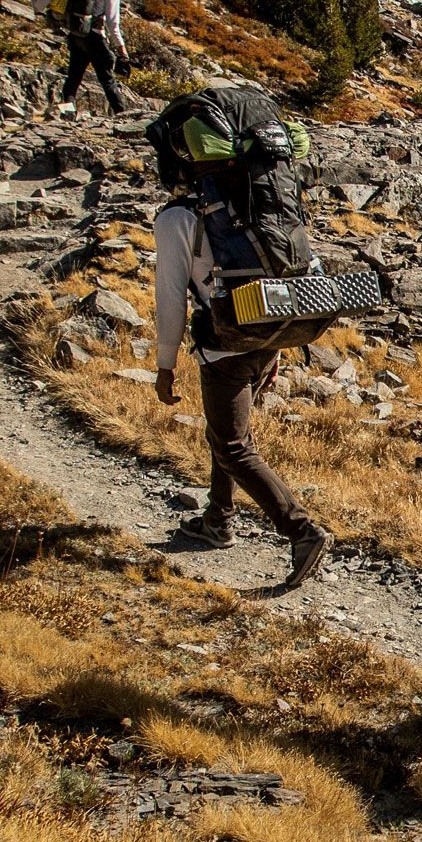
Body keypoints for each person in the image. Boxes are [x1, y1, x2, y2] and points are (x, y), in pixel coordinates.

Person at [150, 95, 332, 593]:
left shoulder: (178, 219)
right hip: (272, 324)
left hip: (228, 341)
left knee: (231, 443)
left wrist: (165, 365)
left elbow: (171, 298)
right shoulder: (260, 202)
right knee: (224, 429)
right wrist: (275, 348)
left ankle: (301, 530)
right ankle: (217, 519)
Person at [54, 0, 130, 118]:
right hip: (95, 37)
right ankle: (123, 116)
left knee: (73, 77)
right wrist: (122, 49)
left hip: (77, 34)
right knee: (108, 80)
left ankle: (68, 114)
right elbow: (112, 22)